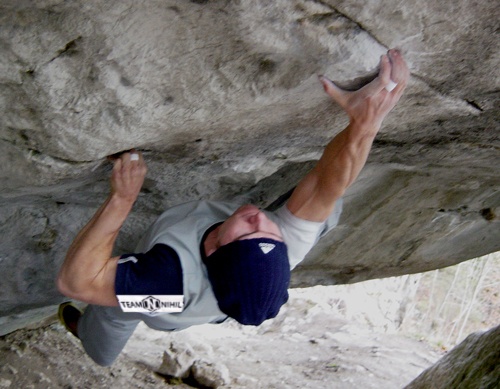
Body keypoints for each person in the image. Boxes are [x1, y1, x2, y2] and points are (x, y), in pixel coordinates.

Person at [57, 49, 409, 366]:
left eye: (248, 232)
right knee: (327, 205)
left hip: (173, 308)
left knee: (115, 308)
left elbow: (76, 282)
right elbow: (328, 183)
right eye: (268, 231)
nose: (259, 218)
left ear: (212, 248)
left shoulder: (168, 284)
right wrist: (365, 124)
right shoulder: (279, 247)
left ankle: (96, 348)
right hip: (233, 289)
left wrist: (122, 199)